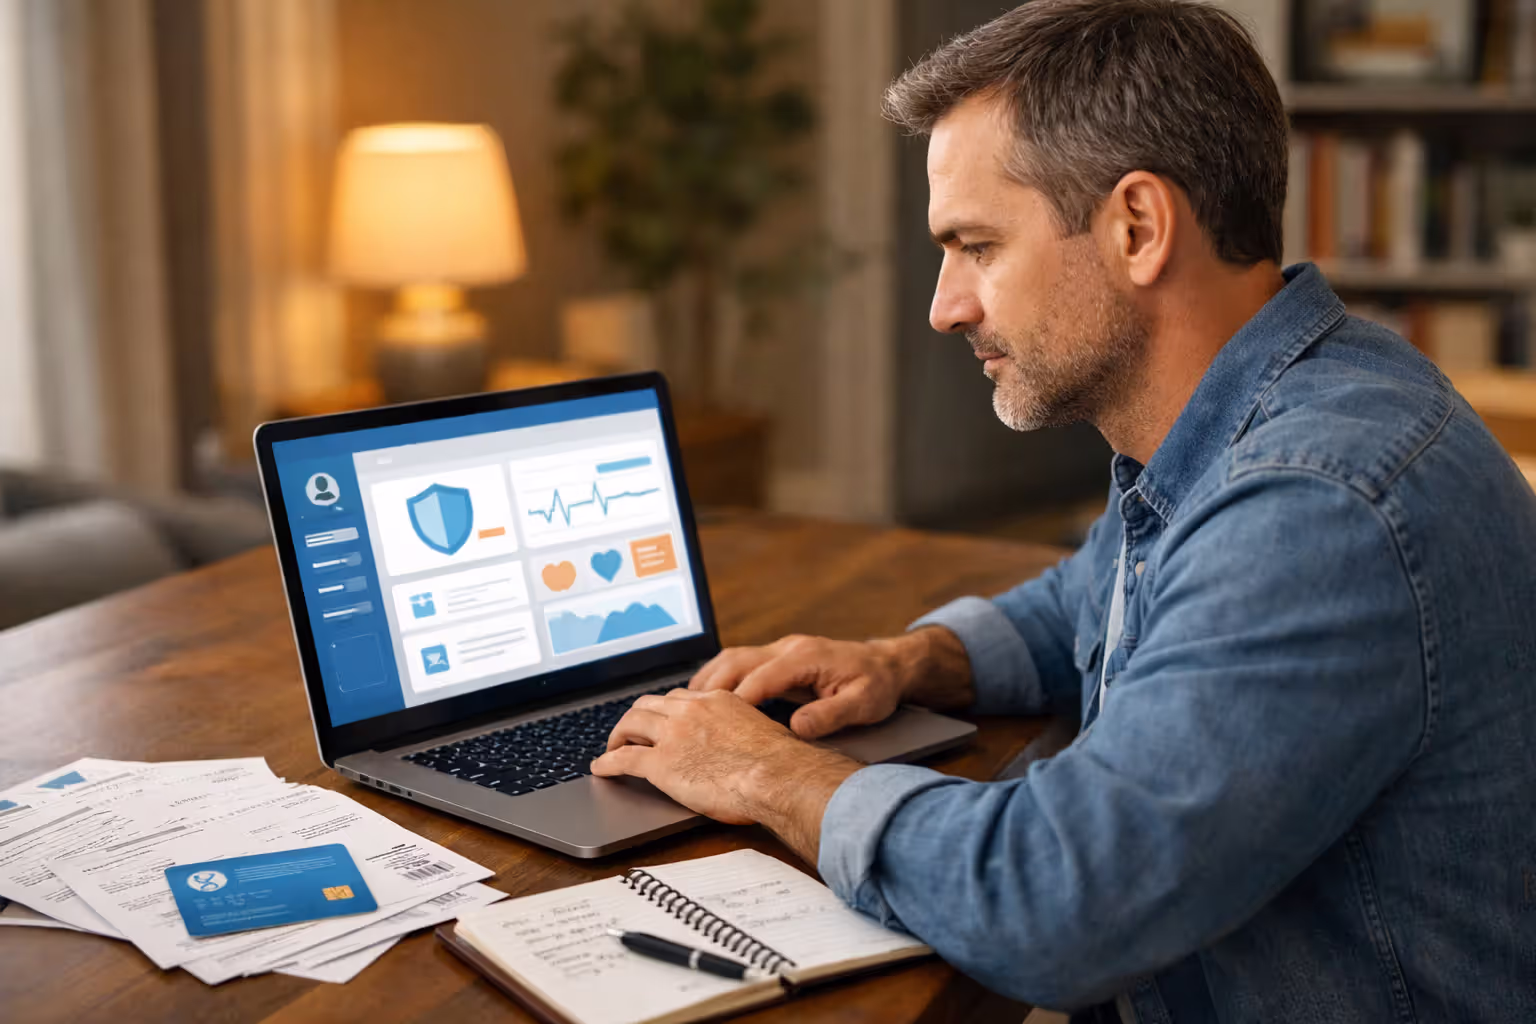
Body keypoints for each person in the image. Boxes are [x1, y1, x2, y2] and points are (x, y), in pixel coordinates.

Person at [591, 2, 1536, 1020]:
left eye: (976, 245)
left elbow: (1055, 900)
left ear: (1137, 226)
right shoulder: (1277, 406)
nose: (945, 305)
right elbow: (1107, 581)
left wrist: (768, 771)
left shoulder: (1316, 507)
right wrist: (906, 660)